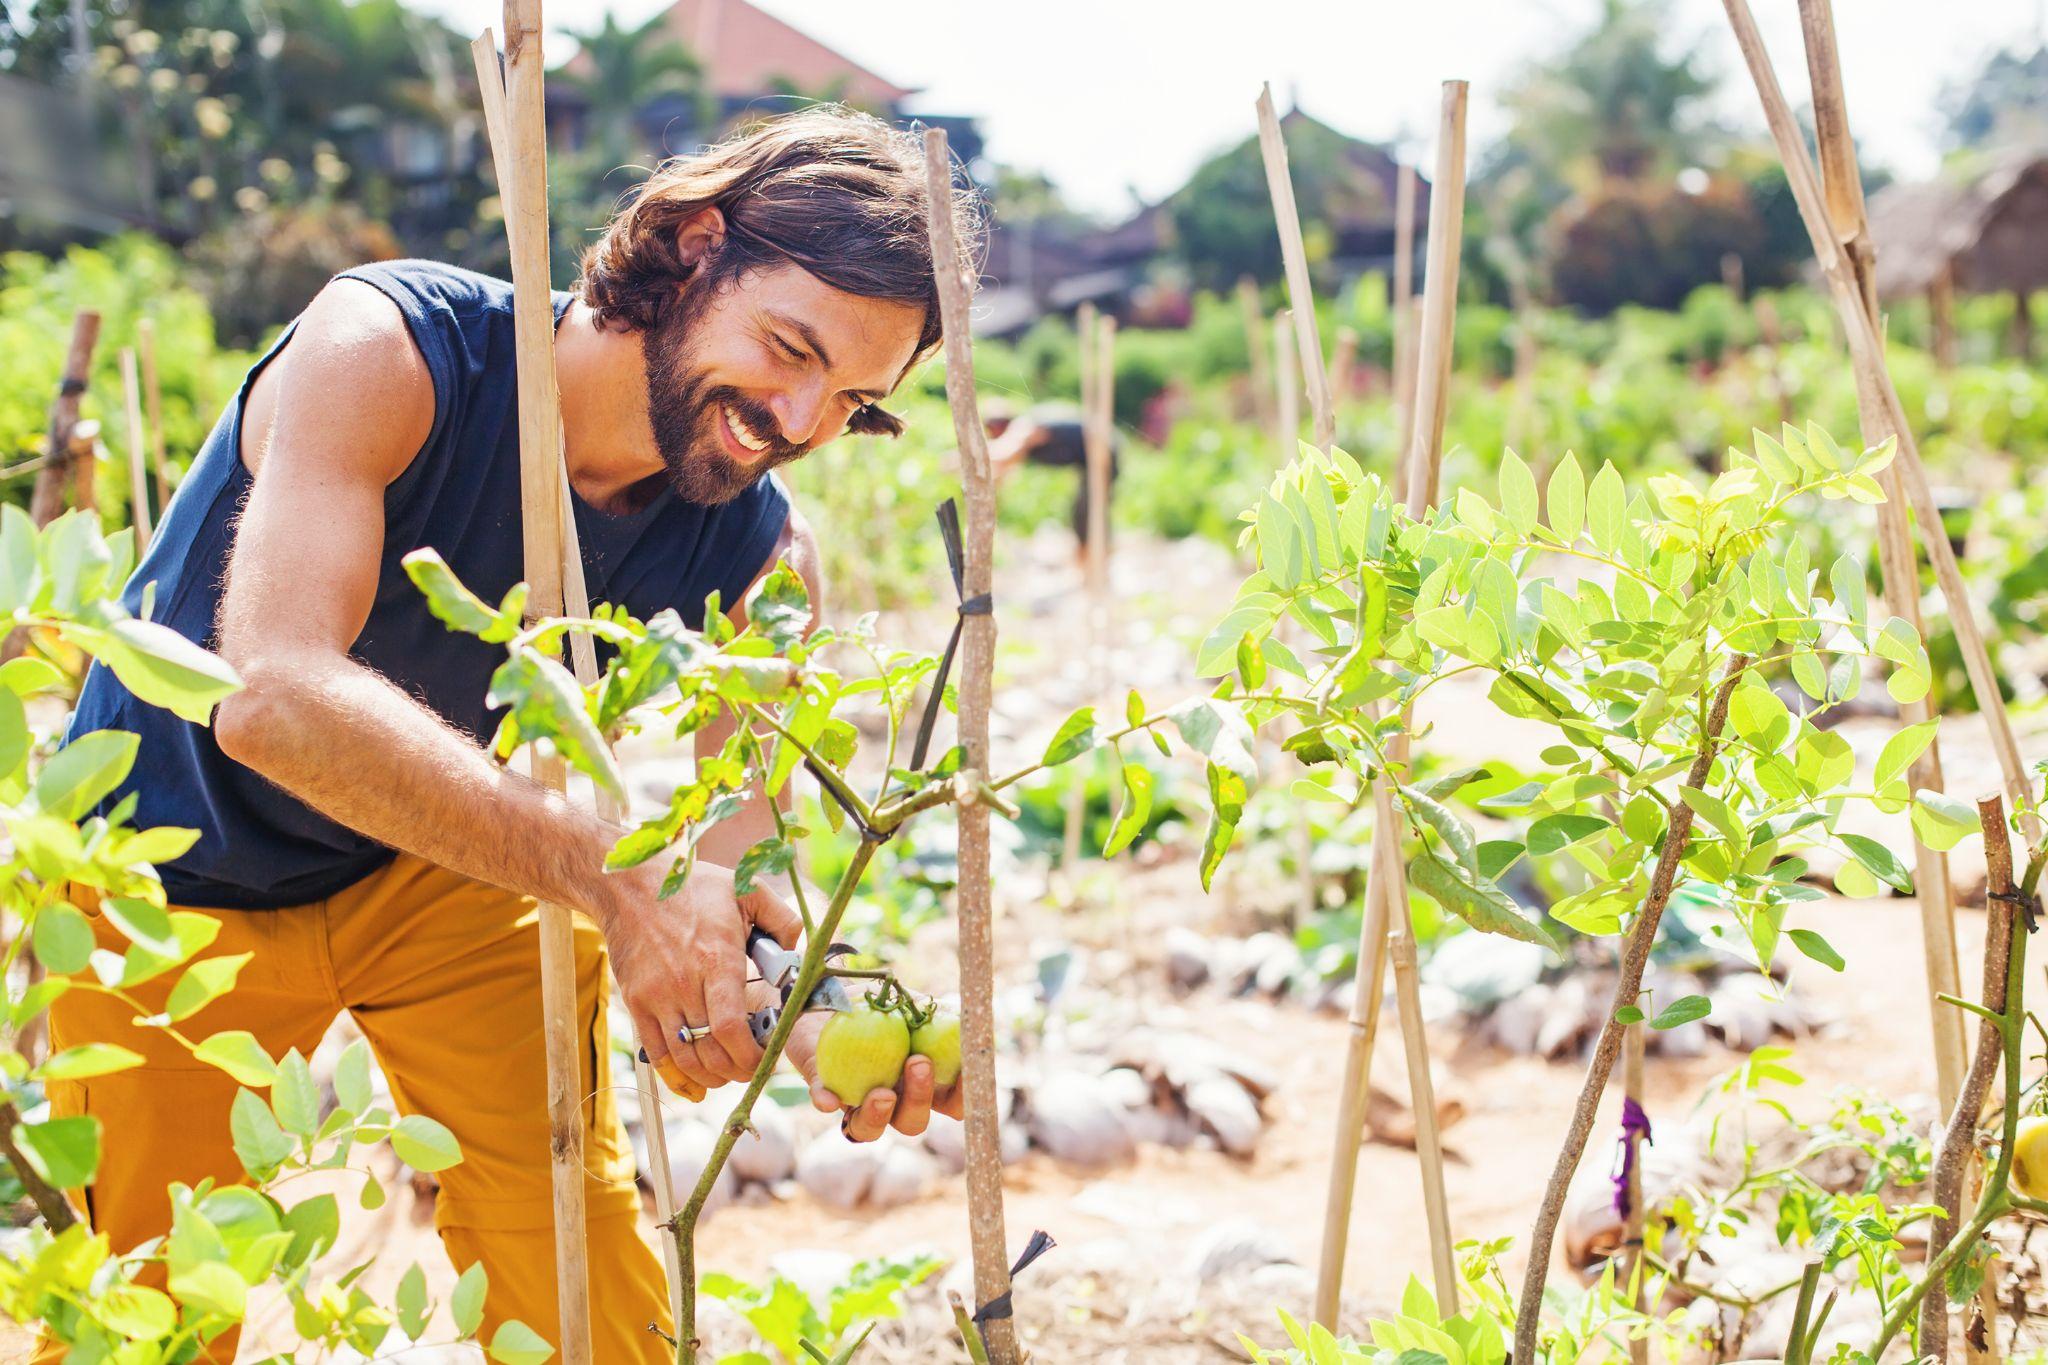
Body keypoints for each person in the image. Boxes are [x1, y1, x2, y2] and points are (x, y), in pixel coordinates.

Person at [45, 108, 980, 1362]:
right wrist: (610, 880)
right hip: (156, 872)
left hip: (433, 864)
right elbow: (269, 696)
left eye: (851, 398)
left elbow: (745, 860)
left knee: (582, 1274)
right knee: (149, 1316)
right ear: (696, 247)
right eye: (787, 349)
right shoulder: (389, 350)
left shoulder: (754, 549)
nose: (799, 421)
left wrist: (807, 1010)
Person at [986, 398, 1120, 568]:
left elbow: (1005, 455)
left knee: (1088, 514)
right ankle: (1090, 566)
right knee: (1085, 513)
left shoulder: (1024, 428)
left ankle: (1095, 567)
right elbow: (1003, 469)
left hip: (1102, 453)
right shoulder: (1024, 434)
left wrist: (965, 457)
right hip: (1091, 460)